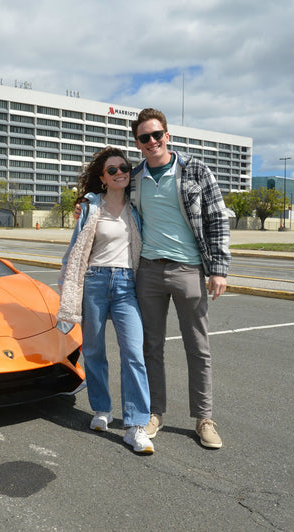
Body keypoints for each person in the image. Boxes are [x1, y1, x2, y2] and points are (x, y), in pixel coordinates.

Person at [130, 108, 230, 449]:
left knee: (198, 348)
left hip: (188, 270)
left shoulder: (194, 170)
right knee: (151, 347)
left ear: (167, 135)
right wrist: (83, 203)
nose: (152, 141)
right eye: (144, 137)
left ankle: (204, 419)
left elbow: (217, 218)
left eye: (157, 134)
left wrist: (218, 269)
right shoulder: (135, 177)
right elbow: (108, 196)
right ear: (138, 143)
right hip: (148, 271)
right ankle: (154, 413)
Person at [57, 146, 154, 454]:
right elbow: (76, 248)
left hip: (126, 284)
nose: (119, 173)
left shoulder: (137, 206)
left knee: (134, 353)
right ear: (102, 177)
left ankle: (136, 425)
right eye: (112, 170)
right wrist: (67, 284)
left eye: (123, 168)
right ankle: (102, 410)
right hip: (95, 281)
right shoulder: (90, 206)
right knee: (94, 350)